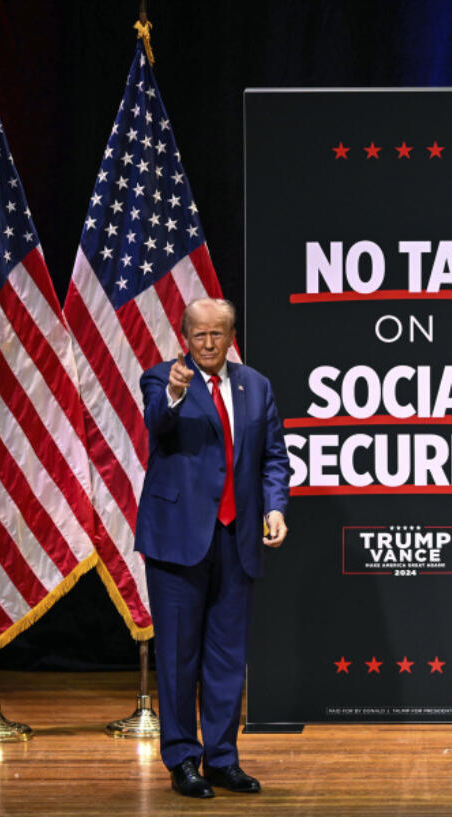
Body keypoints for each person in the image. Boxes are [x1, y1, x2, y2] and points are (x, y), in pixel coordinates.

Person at [134, 297, 290, 798]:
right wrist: (176, 396)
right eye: (198, 335)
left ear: (230, 336)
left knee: (227, 656)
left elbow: (273, 457)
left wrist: (275, 507)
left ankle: (222, 757)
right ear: (185, 336)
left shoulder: (255, 385)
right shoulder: (161, 378)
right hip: (178, 538)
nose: (207, 343)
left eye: (216, 335)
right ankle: (183, 759)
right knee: (179, 655)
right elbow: (158, 426)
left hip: (236, 537)